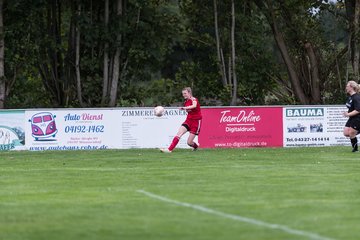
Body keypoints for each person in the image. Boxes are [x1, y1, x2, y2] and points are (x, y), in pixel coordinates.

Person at [160, 87, 202, 153]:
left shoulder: (194, 99)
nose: (183, 95)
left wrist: (184, 108)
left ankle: (195, 146)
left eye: (185, 93)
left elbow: (194, 106)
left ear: (189, 93)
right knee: (179, 133)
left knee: (189, 142)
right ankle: (169, 149)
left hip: (196, 122)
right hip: (188, 121)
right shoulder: (186, 101)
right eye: (183, 94)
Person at [343, 80, 360, 152]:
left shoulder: (356, 97)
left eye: (347, 86)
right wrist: (348, 112)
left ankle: (355, 149)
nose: (346, 87)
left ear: (351, 87)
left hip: (357, 118)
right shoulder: (350, 97)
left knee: (351, 133)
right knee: (346, 133)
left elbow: (358, 110)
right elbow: (351, 107)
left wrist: (348, 114)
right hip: (351, 117)